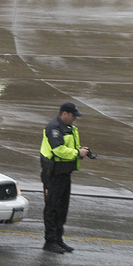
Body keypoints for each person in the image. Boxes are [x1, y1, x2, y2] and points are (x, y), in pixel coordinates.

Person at [40, 101, 92, 254]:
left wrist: (82, 151)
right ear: (64, 114)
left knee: (62, 208)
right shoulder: (53, 128)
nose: (75, 118)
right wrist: (77, 153)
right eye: (73, 115)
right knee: (52, 207)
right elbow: (58, 150)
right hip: (53, 174)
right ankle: (49, 241)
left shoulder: (70, 128)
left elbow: (69, 148)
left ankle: (58, 239)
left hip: (64, 173)